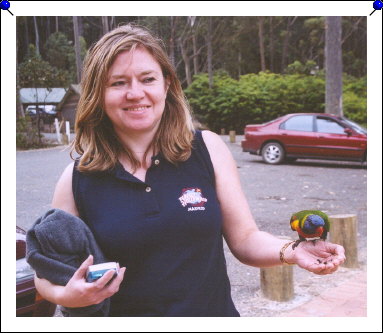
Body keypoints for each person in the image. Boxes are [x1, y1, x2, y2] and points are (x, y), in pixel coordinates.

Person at [34, 24, 345, 317]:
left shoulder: (207, 148)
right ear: (98, 95)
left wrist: (293, 250)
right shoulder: (76, 179)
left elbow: (246, 239)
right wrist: (67, 296)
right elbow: (45, 274)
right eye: (118, 82)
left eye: (147, 79)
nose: (135, 93)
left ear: (167, 85)